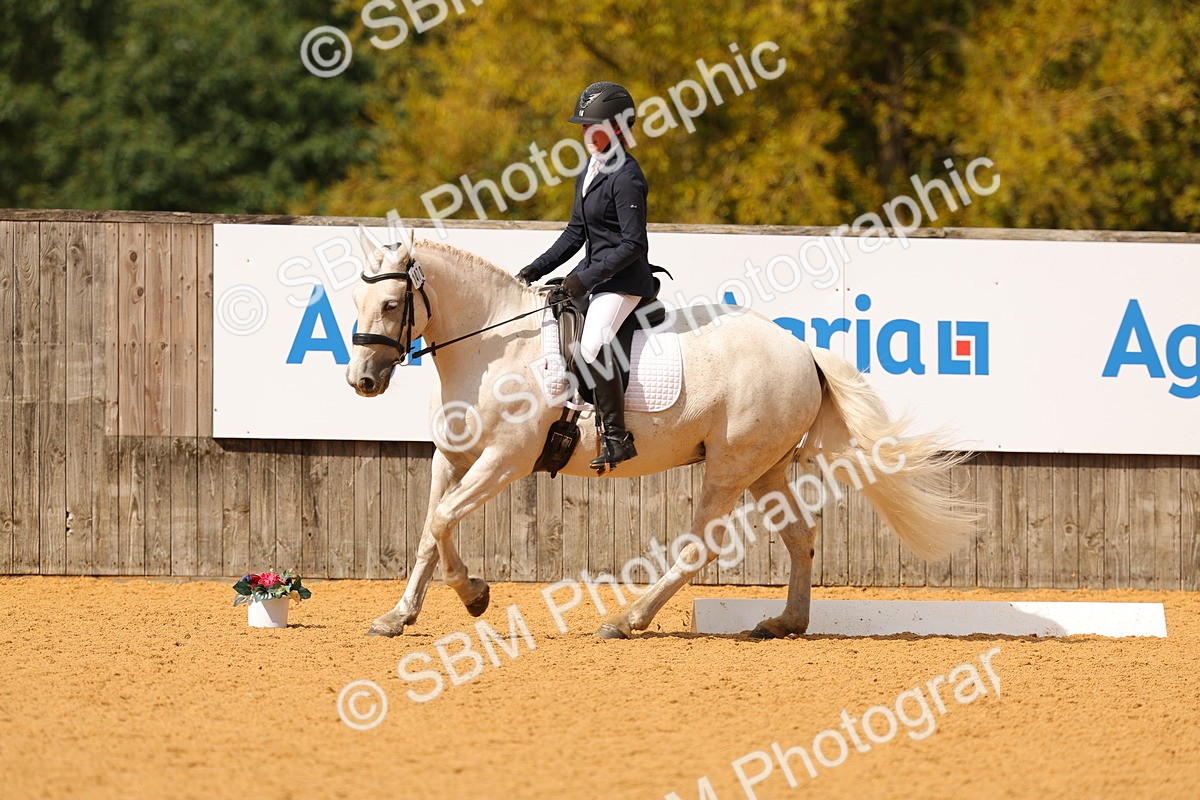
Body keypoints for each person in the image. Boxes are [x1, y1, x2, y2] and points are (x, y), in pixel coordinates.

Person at [516, 81, 655, 472]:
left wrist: (584, 280)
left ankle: (616, 437)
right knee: (552, 317)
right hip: (595, 274)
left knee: (591, 345)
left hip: (623, 281)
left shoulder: (627, 175)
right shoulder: (591, 169)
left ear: (616, 127)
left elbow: (633, 245)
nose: (584, 134)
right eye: (582, 126)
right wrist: (535, 269)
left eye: (592, 126)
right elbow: (575, 233)